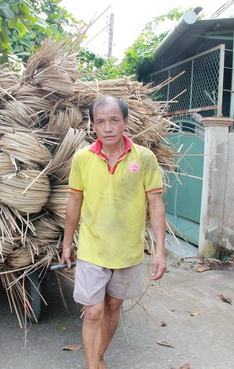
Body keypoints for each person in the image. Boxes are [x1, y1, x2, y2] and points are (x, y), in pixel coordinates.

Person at [61, 95, 167, 369]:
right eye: (101, 122)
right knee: (93, 312)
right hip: (93, 248)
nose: (107, 128)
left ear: (125, 122)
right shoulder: (82, 158)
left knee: (113, 307)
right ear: (92, 126)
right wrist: (67, 242)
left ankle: (98, 358)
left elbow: (155, 204)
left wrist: (159, 252)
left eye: (114, 121)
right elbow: (74, 201)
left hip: (128, 250)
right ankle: (93, 366)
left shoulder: (143, 158)